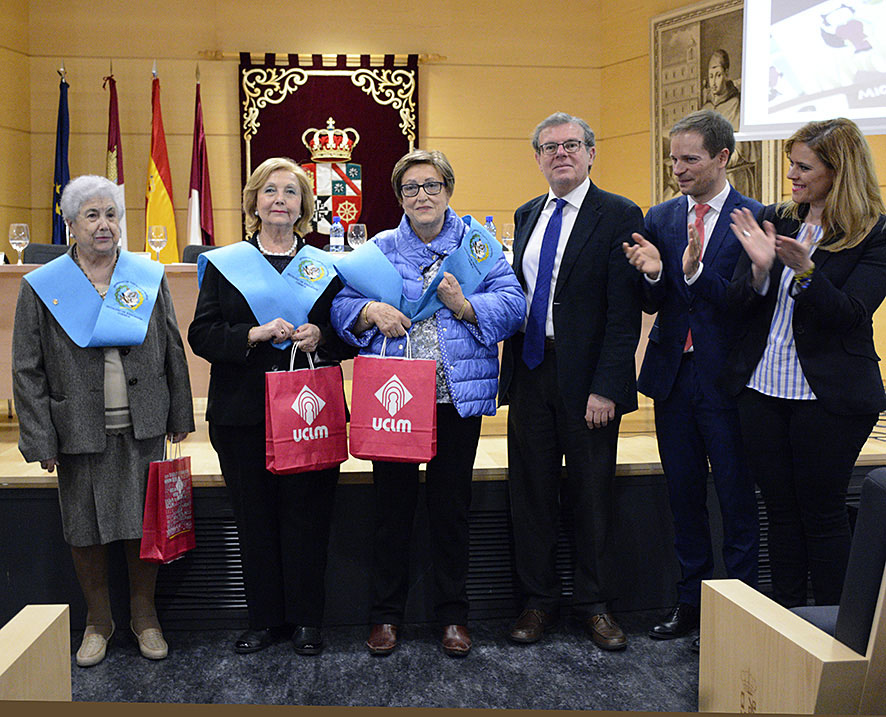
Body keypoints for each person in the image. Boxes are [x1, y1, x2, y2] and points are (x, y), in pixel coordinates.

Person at [331, 149, 525, 657]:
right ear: (400, 196)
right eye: (412, 187)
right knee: (391, 510)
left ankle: (452, 616)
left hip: (454, 398)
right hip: (393, 400)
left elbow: (513, 303)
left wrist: (465, 305)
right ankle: (385, 616)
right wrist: (369, 309)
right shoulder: (376, 249)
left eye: (432, 185)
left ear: (448, 191)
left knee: (451, 510)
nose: (422, 195)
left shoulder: (478, 247)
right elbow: (339, 305)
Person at [12, 175, 194, 667]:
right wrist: (39, 437)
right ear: (70, 225)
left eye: (111, 214)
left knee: (143, 526)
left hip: (144, 423)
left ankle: (144, 618)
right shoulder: (44, 287)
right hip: (76, 428)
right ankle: (98, 621)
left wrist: (179, 412)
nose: (104, 224)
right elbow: (27, 367)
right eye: (92, 215)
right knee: (84, 529)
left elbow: (171, 345)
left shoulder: (144, 276)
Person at [188, 157, 351, 656]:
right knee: (253, 518)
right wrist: (253, 333)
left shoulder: (327, 266)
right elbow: (201, 333)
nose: (280, 199)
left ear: (304, 205)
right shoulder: (224, 264)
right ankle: (265, 620)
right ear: (254, 202)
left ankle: (307, 620)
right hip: (241, 412)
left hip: (308, 412)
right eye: (270, 191)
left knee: (308, 516)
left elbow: (348, 334)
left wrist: (323, 334)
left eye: (291, 192)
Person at [724, 117, 886, 608]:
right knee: (779, 511)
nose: (791, 175)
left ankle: (836, 630)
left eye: (803, 166)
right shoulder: (781, 218)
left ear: (840, 171)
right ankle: (788, 619)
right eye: (791, 164)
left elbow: (852, 315)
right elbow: (738, 305)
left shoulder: (873, 232)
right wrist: (757, 269)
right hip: (763, 389)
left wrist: (806, 272)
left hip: (829, 397)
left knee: (821, 512)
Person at [499, 112, 643, 651]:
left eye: (572, 145)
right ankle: (537, 602)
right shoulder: (526, 213)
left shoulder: (620, 213)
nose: (561, 153)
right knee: (529, 493)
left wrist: (606, 386)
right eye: (549, 146)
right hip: (533, 370)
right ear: (537, 157)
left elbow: (624, 313)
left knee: (591, 495)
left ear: (590, 153)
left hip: (589, 381)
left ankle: (595, 604)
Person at [623, 110, 761, 644]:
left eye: (690, 159)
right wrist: (657, 272)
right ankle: (690, 605)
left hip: (727, 379)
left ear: (722, 157)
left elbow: (744, 304)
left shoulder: (752, 217)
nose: (677, 168)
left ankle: (741, 613)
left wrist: (693, 271)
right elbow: (652, 300)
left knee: (735, 497)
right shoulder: (659, 217)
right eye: (672, 158)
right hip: (674, 377)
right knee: (683, 497)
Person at [702, 50, 758, 199]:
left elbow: (740, 150)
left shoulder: (736, 104)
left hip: (734, 178)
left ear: (726, 74)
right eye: (711, 76)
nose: (713, 82)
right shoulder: (706, 109)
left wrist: (713, 165)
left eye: (718, 75)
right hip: (710, 184)